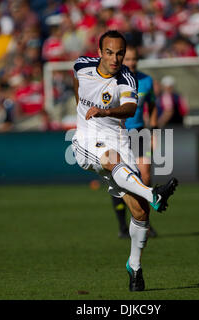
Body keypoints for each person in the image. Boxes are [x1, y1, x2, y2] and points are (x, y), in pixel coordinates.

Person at [71, 30, 178, 291]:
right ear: (99, 52)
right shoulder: (81, 66)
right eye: (109, 52)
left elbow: (130, 108)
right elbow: (77, 84)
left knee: (140, 211)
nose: (116, 58)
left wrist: (105, 110)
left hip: (118, 137)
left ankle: (135, 267)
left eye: (120, 53)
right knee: (111, 159)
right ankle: (154, 194)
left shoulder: (127, 78)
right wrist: (83, 112)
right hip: (87, 139)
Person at [110, 45, 158, 239]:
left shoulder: (146, 81)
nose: (131, 63)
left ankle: (144, 222)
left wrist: (154, 130)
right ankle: (123, 226)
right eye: (127, 59)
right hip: (117, 134)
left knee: (145, 177)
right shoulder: (113, 81)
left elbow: (152, 105)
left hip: (139, 133)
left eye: (134, 59)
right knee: (119, 181)